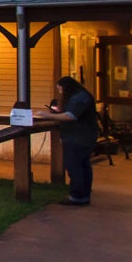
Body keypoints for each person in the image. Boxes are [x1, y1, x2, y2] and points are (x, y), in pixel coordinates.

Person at [39, 76, 98, 206]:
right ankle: (84, 195)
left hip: (78, 137)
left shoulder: (79, 98)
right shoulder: (82, 95)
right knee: (83, 166)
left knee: (73, 165)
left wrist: (48, 115)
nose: (60, 93)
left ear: (66, 87)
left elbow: (70, 116)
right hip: (84, 136)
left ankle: (77, 196)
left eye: (60, 90)